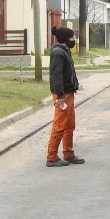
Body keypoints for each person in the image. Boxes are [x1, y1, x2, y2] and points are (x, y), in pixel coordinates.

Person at [46, 25, 83, 167]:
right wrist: (60, 95)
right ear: (67, 39)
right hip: (62, 95)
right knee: (59, 124)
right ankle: (52, 157)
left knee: (69, 125)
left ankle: (68, 153)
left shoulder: (64, 51)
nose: (74, 39)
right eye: (72, 37)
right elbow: (57, 76)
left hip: (68, 93)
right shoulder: (58, 53)